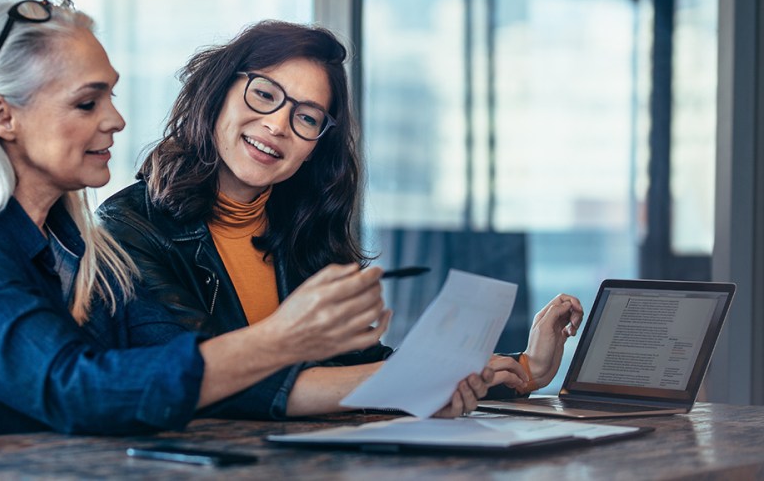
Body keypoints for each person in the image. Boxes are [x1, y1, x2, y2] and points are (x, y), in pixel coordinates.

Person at [0, 0, 489, 445]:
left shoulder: (76, 245)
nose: (116, 120)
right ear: (1, 116)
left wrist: (462, 376)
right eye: (86, 101)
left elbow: (174, 370)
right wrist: (283, 338)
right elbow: (78, 391)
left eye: (111, 94)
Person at [98, 20, 585, 405]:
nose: (277, 125)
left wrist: (524, 369)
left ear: (316, 144)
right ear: (218, 92)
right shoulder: (128, 227)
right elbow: (202, 380)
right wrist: (404, 383)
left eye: (306, 117)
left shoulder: (304, 230)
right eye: (264, 94)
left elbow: (360, 366)